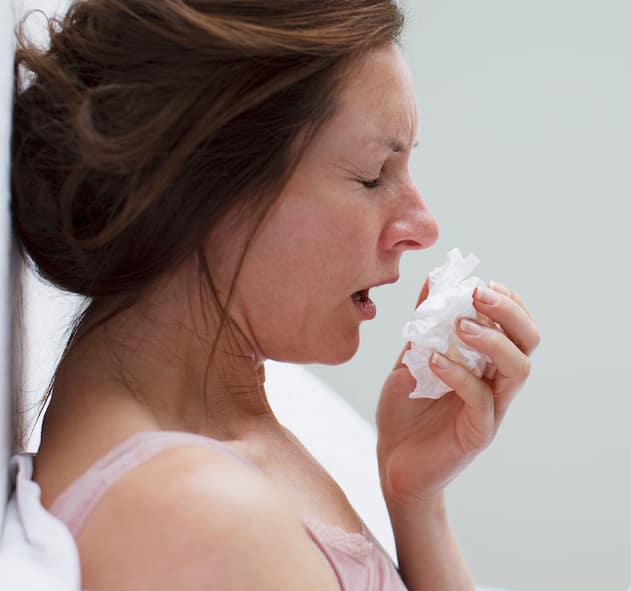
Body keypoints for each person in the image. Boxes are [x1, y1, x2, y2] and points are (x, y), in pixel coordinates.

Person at [13, 1, 539, 590]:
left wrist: (415, 500)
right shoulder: (202, 517)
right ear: (205, 181)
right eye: (372, 176)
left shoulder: (217, 435)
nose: (423, 225)